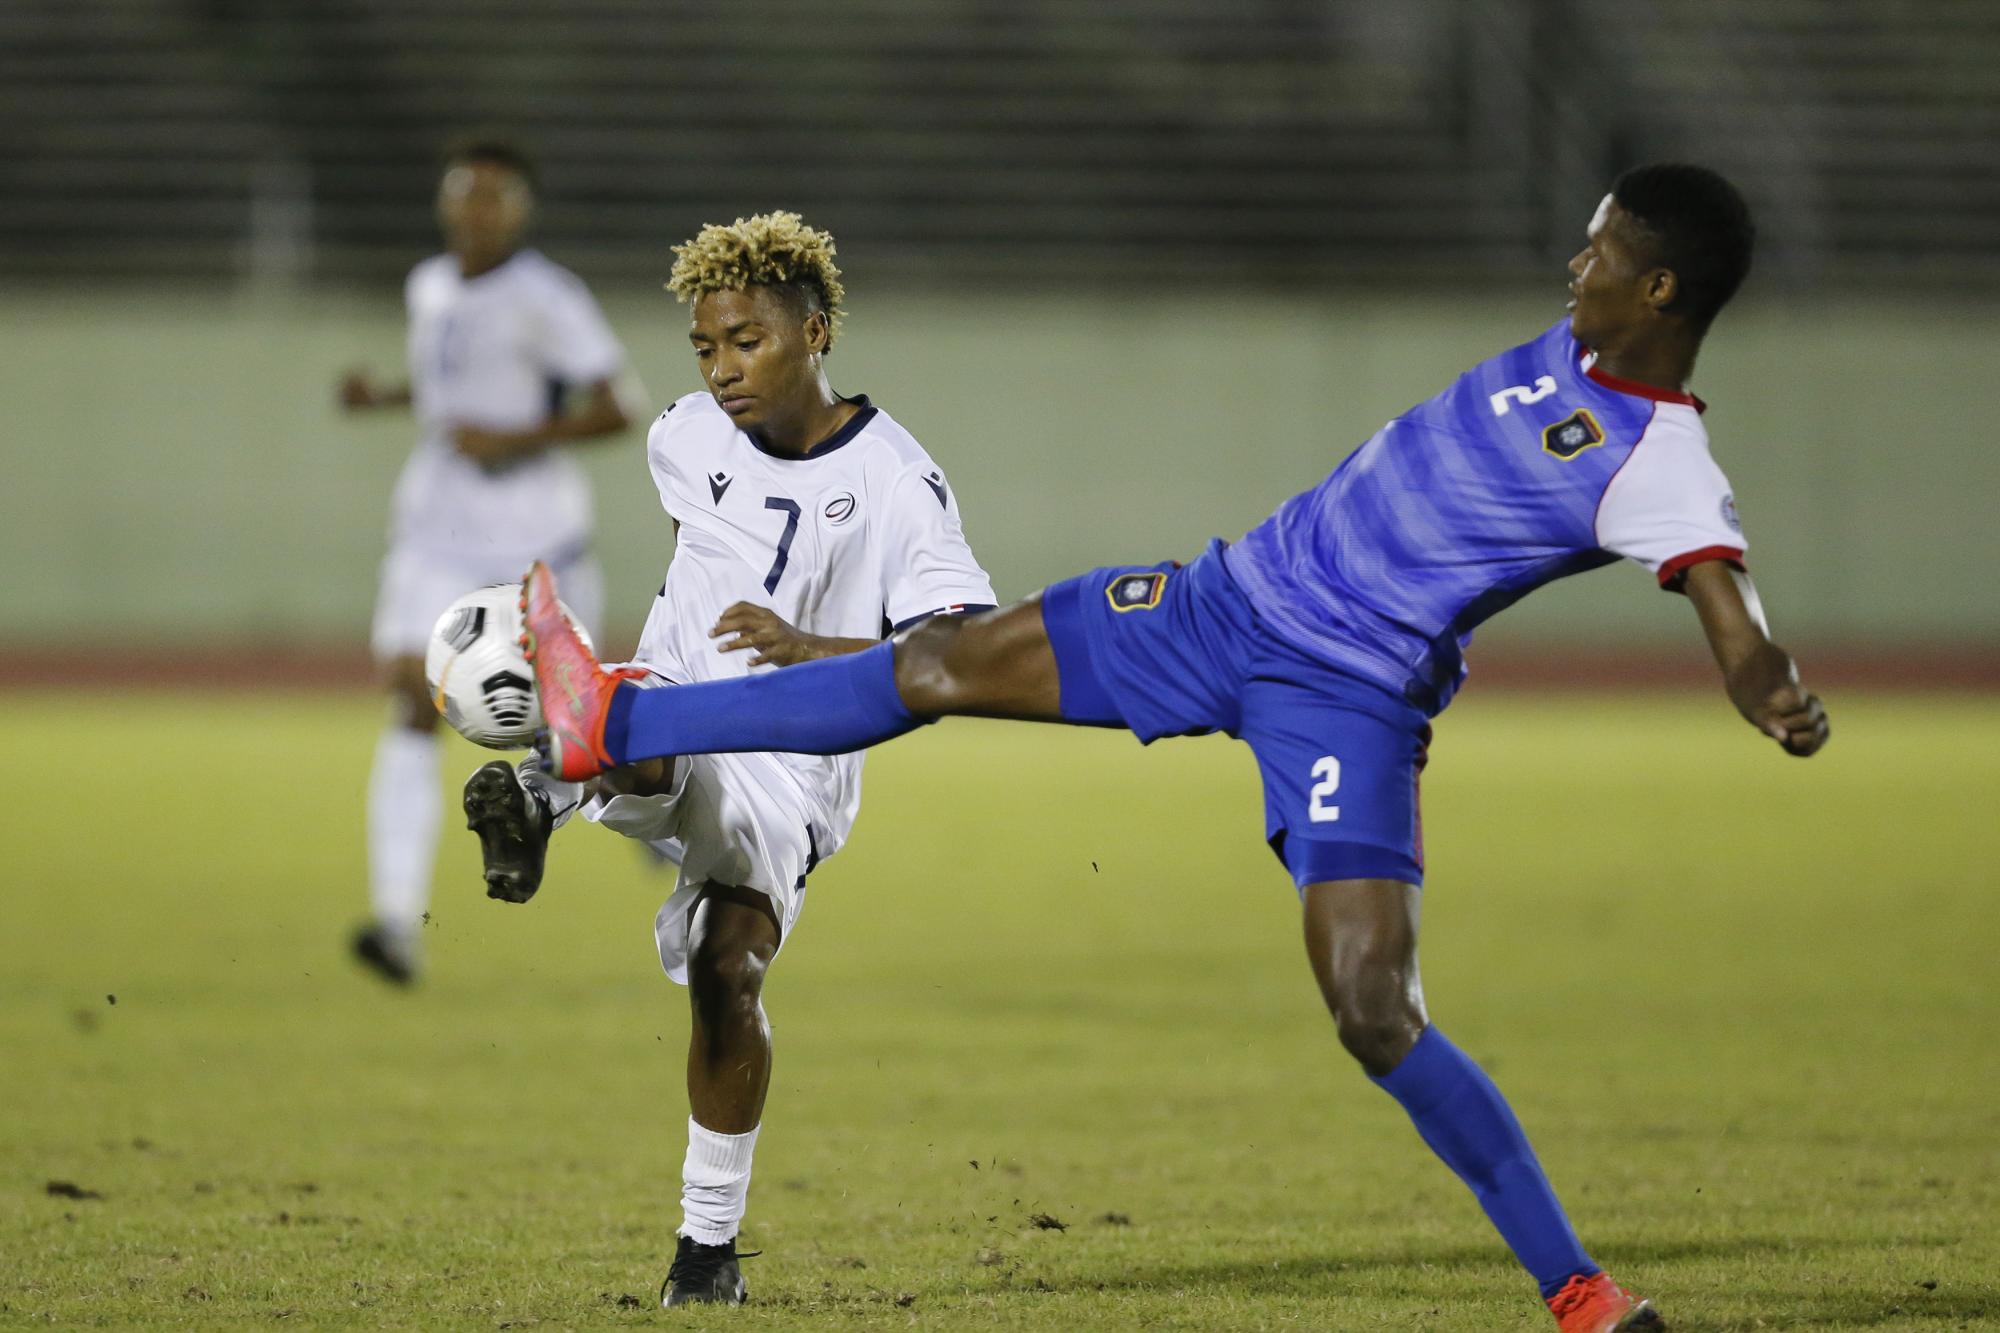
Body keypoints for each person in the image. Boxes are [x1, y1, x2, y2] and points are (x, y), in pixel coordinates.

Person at [517, 165, 1830, 1332]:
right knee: (932, 668)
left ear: (1657, 285)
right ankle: (615, 722)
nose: (1574, 265)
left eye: (1599, 252)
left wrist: (1770, 688)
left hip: (1351, 703)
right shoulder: (1575, 348)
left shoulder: (1661, 462)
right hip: (1219, 607)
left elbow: (1728, 600)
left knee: (1374, 1010)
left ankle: (1582, 1294)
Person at [463, 211, 996, 1306]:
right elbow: (691, 568)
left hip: (796, 768)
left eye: (745, 341)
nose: (720, 371)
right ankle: (556, 772)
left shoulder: (898, 482)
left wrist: (813, 649)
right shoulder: (682, 438)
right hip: (671, 710)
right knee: (655, 718)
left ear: (816, 329)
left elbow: (963, 654)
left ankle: (706, 1252)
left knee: (726, 971)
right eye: (705, 348)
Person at [338, 137, 637, 984]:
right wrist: (387, 398)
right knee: (408, 692)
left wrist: (516, 439)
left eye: (494, 197)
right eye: (463, 193)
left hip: (533, 534)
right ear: (443, 201)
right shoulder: (428, 285)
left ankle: (655, 818)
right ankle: (397, 922)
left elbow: (620, 407)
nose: (475, 210)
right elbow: (453, 386)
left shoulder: (548, 296)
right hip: (437, 524)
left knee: (577, 728)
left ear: (521, 211)